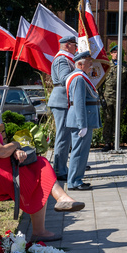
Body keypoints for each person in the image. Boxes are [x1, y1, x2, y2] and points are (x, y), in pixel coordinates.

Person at [0, 86, 84, 241]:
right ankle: (51, 213)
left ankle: (59, 203)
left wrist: (14, 150)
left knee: (39, 167)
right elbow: (0, 152)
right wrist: (16, 145)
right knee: (39, 169)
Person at [66, 50, 101, 190]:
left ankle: (76, 179)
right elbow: (79, 102)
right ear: (80, 64)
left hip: (83, 119)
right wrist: (82, 124)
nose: (91, 63)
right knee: (79, 151)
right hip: (82, 120)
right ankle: (74, 181)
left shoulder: (80, 76)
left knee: (81, 151)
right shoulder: (79, 78)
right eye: (88, 61)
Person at [47, 35, 77, 181]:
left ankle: (62, 167)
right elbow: (65, 78)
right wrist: (78, 72)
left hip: (64, 100)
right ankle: (59, 170)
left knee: (66, 136)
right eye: (74, 45)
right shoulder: (62, 59)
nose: (76, 48)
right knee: (63, 136)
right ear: (67, 45)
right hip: (61, 100)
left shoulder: (66, 59)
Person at [99, 44, 127, 151]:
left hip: (119, 98)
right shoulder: (106, 66)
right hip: (108, 97)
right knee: (107, 120)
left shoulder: (125, 67)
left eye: (118, 52)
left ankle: (116, 141)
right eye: (114, 52)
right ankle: (107, 143)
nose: (116, 54)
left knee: (117, 121)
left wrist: (126, 98)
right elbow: (100, 83)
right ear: (111, 54)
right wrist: (101, 97)